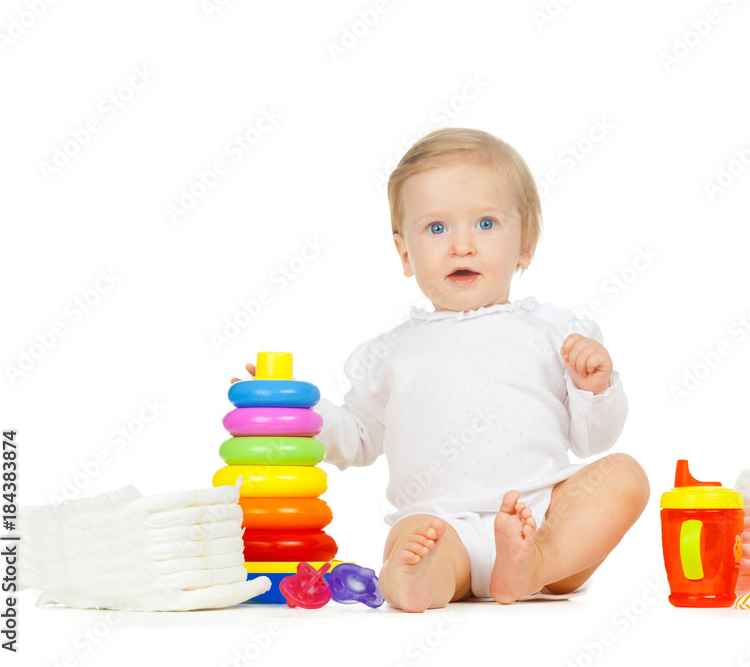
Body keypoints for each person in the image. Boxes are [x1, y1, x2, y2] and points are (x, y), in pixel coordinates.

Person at [234, 128, 649, 612]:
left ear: (525, 244)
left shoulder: (555, 334)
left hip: (543, 520)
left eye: (486, 224)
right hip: (442, 525)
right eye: (436, 229)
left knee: (624, 476)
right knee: (411, 542)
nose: (462, 246)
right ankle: (420, 584)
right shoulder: (391, 354)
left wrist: (595, 388)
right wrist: (297, 409)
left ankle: (533, 564)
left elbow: (593, 441)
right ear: (404, 254)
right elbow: (358, 439)